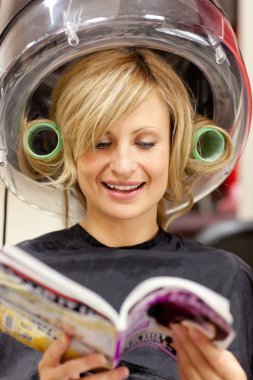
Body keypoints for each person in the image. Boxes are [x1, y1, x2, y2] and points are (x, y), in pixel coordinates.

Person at [1, 48, 252, 380]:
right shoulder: (14, 283)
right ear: (71, 149)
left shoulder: (228, 278)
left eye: (145, 143)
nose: (122, 166)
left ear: (174, 147)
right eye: (100, 143)